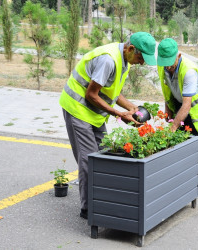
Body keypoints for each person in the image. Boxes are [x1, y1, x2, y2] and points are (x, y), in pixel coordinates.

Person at [59, 32, 156, 219]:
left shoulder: (125, 61)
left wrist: (131, 107)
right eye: (141, 57)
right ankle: (89, 210)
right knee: (89, 160)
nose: (142, 63)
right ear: (130, 49)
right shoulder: (108, 60)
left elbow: (112, 92)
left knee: (105, 154)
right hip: (77, 108)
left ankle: (103, 200)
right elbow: (92, 94)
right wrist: (119, 114)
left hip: (94, 114)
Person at [156, 38, 198, 188]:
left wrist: (173, 128)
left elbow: (187, 104)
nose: (167, 66)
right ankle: (178, 184)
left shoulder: (189, 71)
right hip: (180, 105)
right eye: (164, 62)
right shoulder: (162, 66)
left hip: (197, 110)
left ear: (179, 56)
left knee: (196, 149)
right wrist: (168, 118)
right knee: (177, 148)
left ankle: (195, 185)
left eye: (170, 62)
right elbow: (167, 93)